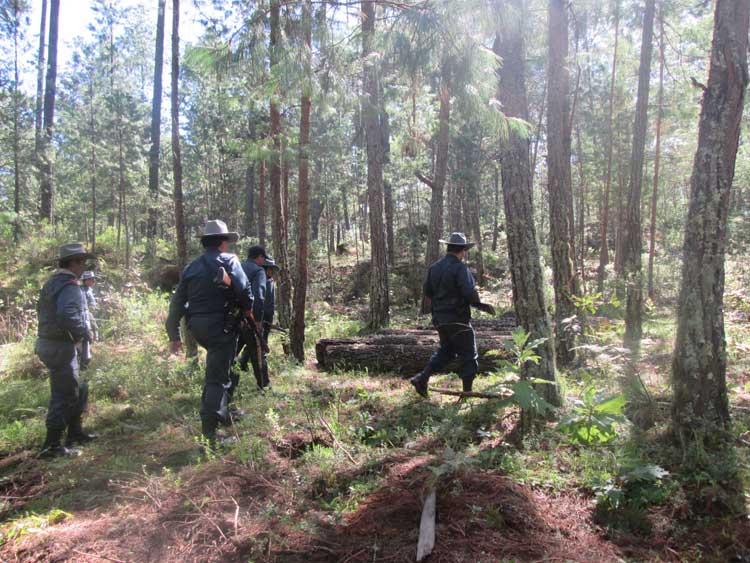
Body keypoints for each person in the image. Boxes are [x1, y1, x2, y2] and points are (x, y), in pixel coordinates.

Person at [165, 220, 255, 449]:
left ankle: (225, 410)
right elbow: (245, 292)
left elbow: (176, 303)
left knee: (228, 365)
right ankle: (210, 436)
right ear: (223, 242)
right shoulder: (230, 260)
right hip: (221, 327)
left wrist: (174, 334)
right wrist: (247, 309)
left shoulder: (191, 267)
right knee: (216, 377)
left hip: (197, 328)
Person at [36, 243, 99, 457]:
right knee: (64, 393)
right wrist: (83, 333)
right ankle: (51, 446)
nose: (83, 266)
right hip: (61, 345)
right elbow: (67, 315)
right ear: (72, 262)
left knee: (79, 387)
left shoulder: (52, 283)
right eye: (81, 261)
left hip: (50, 343)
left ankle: (75, 433)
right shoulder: (69, 285)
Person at [409, 233, 483, 398]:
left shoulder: (434, 267)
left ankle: (421, 378)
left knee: (447, 351)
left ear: (448, 248)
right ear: (462, 251)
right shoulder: (460, 268)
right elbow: (469, 292)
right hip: (458, 319)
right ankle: (468, 392)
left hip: (439, 319)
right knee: (469, 354)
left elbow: (427, 291)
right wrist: (478, 302)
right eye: (465, 251)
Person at [237, 245, 268, 390]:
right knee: (258, 353)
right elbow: (259, 296)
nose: (264, 262)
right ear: (259, 257)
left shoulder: (237, 267)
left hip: (233, 319)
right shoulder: (258, 271)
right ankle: (264, 385)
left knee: (231, 353)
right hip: (250, 319)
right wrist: (257, 320)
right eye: (263, 258)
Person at [260, 256, 280, 387]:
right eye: (269, 269)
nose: (271, 272)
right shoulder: (260, 282)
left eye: (273, 269)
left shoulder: (270, 281)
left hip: (268, 318)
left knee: (261, 344)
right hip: (259, 319)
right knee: (259, 346)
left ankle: (242, 365)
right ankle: (263, 382)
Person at [79, 271, 98, 369]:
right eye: (91, 279)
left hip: (89, 316)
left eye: (93, 279)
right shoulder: (81, 290)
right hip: (86, 317)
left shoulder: (89, 290)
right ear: (85, 280)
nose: (93, 281)